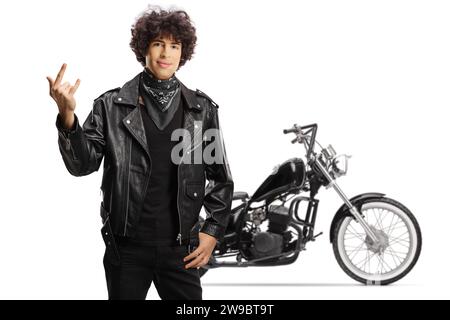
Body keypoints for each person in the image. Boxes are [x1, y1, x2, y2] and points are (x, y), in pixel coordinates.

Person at [46, 5, 234, 300]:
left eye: (175, 45)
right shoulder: (111, 106)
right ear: (144, 47)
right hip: (127, 249)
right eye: (158, 43)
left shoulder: (199, 110)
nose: (166, 53)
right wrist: (67, 117)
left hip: (181, 250)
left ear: (183, 52)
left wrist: (211, 231)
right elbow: (82, 165)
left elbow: (220, 179)